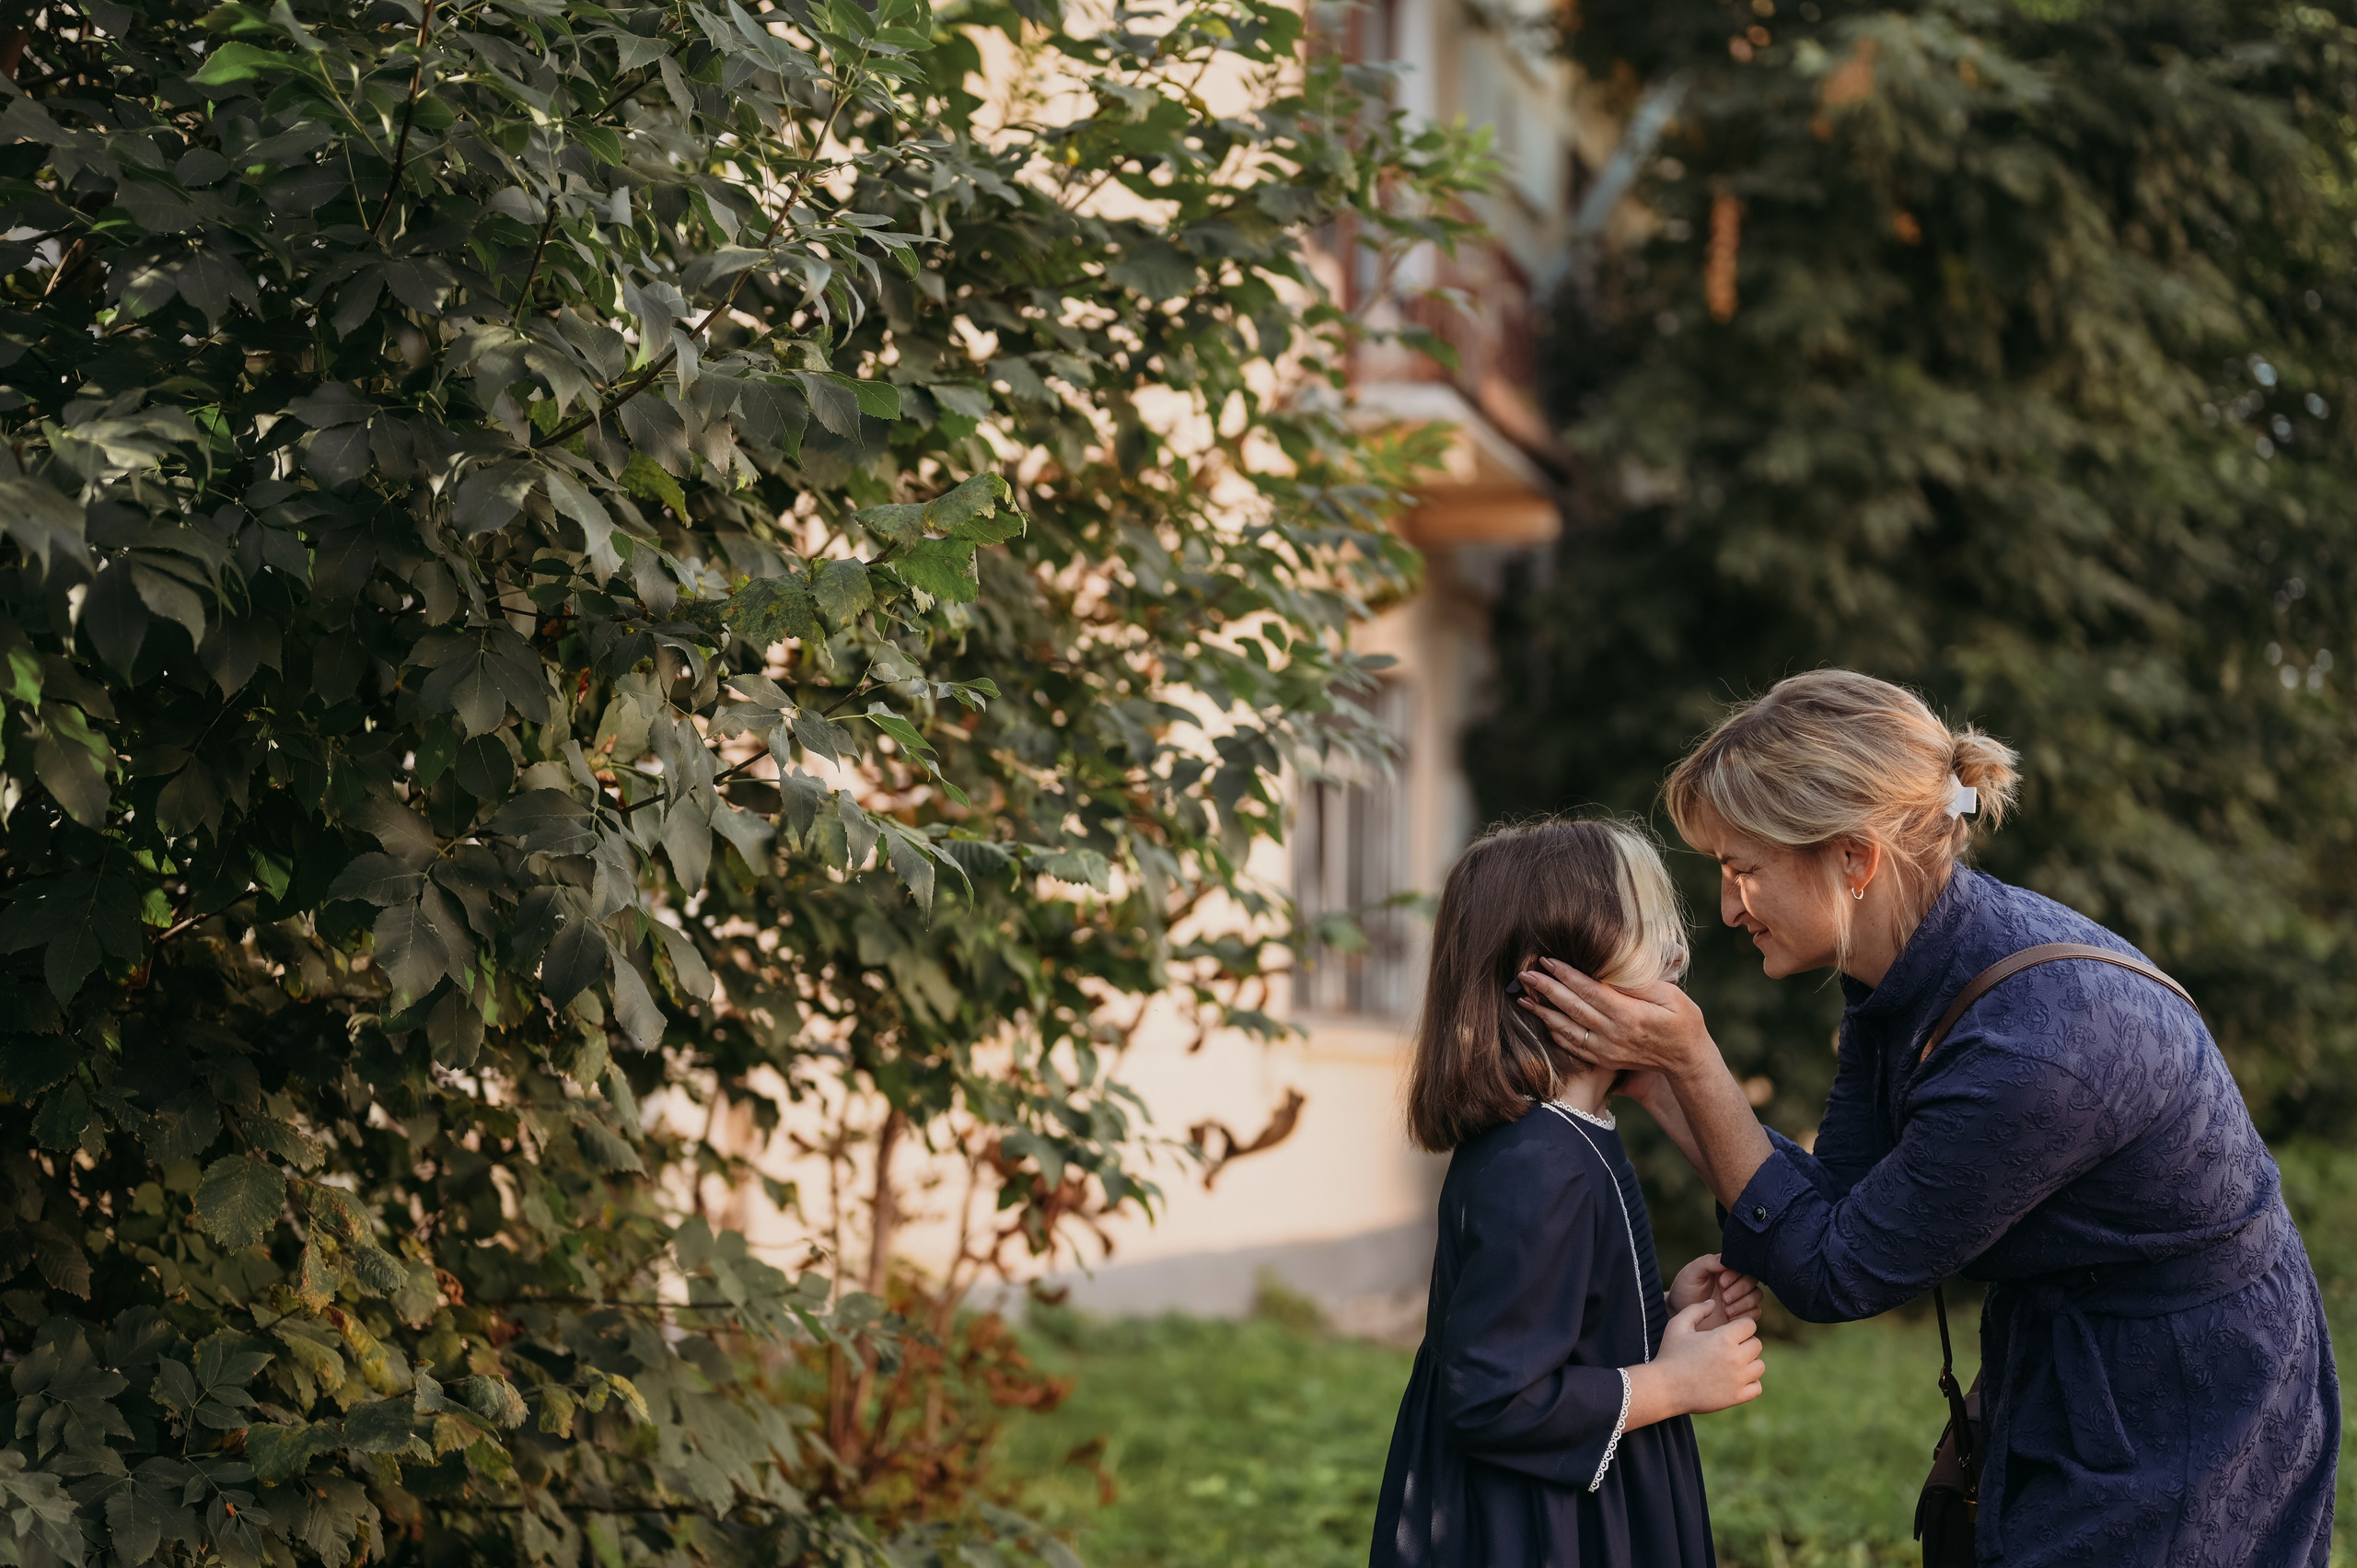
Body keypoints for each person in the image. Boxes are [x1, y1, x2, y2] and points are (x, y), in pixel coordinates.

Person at [1515, 670, 2339, 1566]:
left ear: (1854, 859)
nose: (1727, 907)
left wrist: (1689, 1057)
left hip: (2186, 1397)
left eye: (1742, 868)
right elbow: (1833, 1200)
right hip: (2077, 1353)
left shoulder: (2033, 1049)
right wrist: (1661, 1082)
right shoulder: (1902, 977)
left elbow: (1839, 1272)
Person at [1371, 817, 1767, 1568]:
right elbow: (1492, 1395)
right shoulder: (1537, 1161)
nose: (1679, 950)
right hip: (1538, 1529)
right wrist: (1674, 1384)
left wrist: (1654, 1309)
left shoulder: (1570, 1132)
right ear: (1544, 974)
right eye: (1650, 929)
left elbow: (1549, 1324)